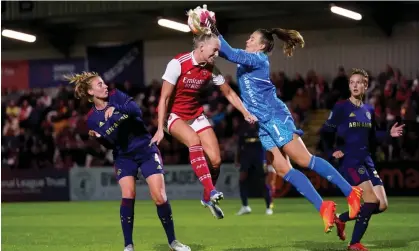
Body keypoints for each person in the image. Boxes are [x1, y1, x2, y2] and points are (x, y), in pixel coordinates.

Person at [200, 15, 363, 233]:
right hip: (263, 123)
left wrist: (213, 29)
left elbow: (228, 52)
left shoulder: (258, 59)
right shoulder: (246, 65)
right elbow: (223, 53)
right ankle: (324, 207)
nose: (247, 41)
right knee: (281, 168)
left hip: (274, 117)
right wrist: (209, 36)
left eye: (251, 38)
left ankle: (351, 192)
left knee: (304, 159)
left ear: (261, 46)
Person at [65, 72, 190, 251]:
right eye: (100, 84)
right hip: (123, 156)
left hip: (145, 148)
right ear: (91, 92)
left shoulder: (117, 95)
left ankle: (173, 242)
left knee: (159, 196)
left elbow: (137, 111)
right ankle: (128, 246)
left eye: (104, 83)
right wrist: (100, 138)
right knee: (128, 194)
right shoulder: (92, 119)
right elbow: (110, 144)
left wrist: (116, 109)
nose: (105, 86)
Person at [150, 33, 257, 219]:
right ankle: (212, 190)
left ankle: (207, 198)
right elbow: (164, 97)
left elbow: (229, 93)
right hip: (172, 115)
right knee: (193, 140)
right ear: (201, 48)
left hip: (195, 114)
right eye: (214, 49)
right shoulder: (178, 63)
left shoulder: (211, 69)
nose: (216, 53)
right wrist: (160, 128)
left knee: (216, 160)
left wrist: (245, 113)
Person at [321, 68, 404, 251]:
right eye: (352, 82)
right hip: (351, 160)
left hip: (367, 160)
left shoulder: (369, 110)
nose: (355, 85)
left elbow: (372, 138)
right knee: (371, 201)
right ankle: (354, 244)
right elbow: (325, 132)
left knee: (381, 205)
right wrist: (332, 151)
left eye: (359, 82)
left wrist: (388, 134)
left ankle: (340, 219)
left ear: (366, 85)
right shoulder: (341, 107)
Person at [235, 122, 274, 216]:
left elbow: (269, 145)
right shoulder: (243, 128)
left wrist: (269, 160)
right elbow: (239, 146)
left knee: (263, 182)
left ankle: (269, 207)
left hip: (259, 158)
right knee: (242, 180)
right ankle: (245, 206)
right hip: (246, 158)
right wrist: (237, 159)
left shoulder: (262, 128)